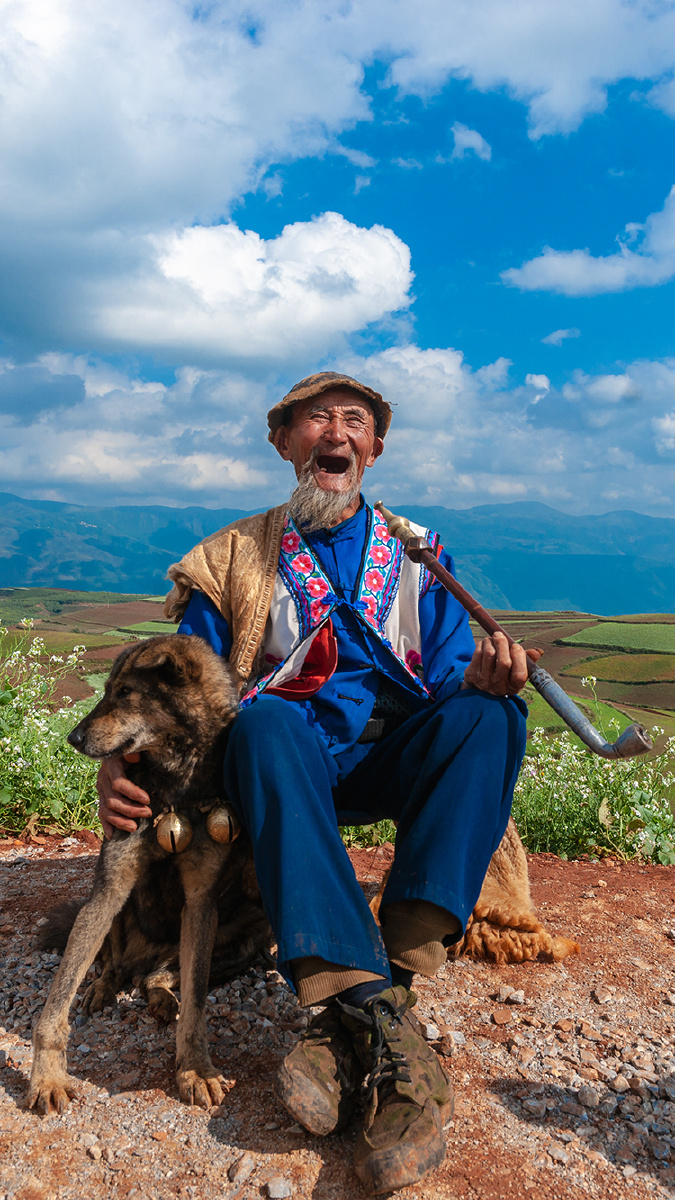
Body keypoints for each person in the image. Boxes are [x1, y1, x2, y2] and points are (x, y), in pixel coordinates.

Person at [97, 371, 537, 1195]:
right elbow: (174, 685)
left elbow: (451, 684)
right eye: (316, 420)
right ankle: (382, 1024)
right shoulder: (231, 558)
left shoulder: (420, 555)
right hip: (280, 769)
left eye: (354, 422)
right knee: (265, 719)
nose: (335, 434)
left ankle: (375, 993)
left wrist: (487, 680)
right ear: (283, 443)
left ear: (374, 448)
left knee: (492, 717)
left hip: (390, 758)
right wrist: (118, 759)